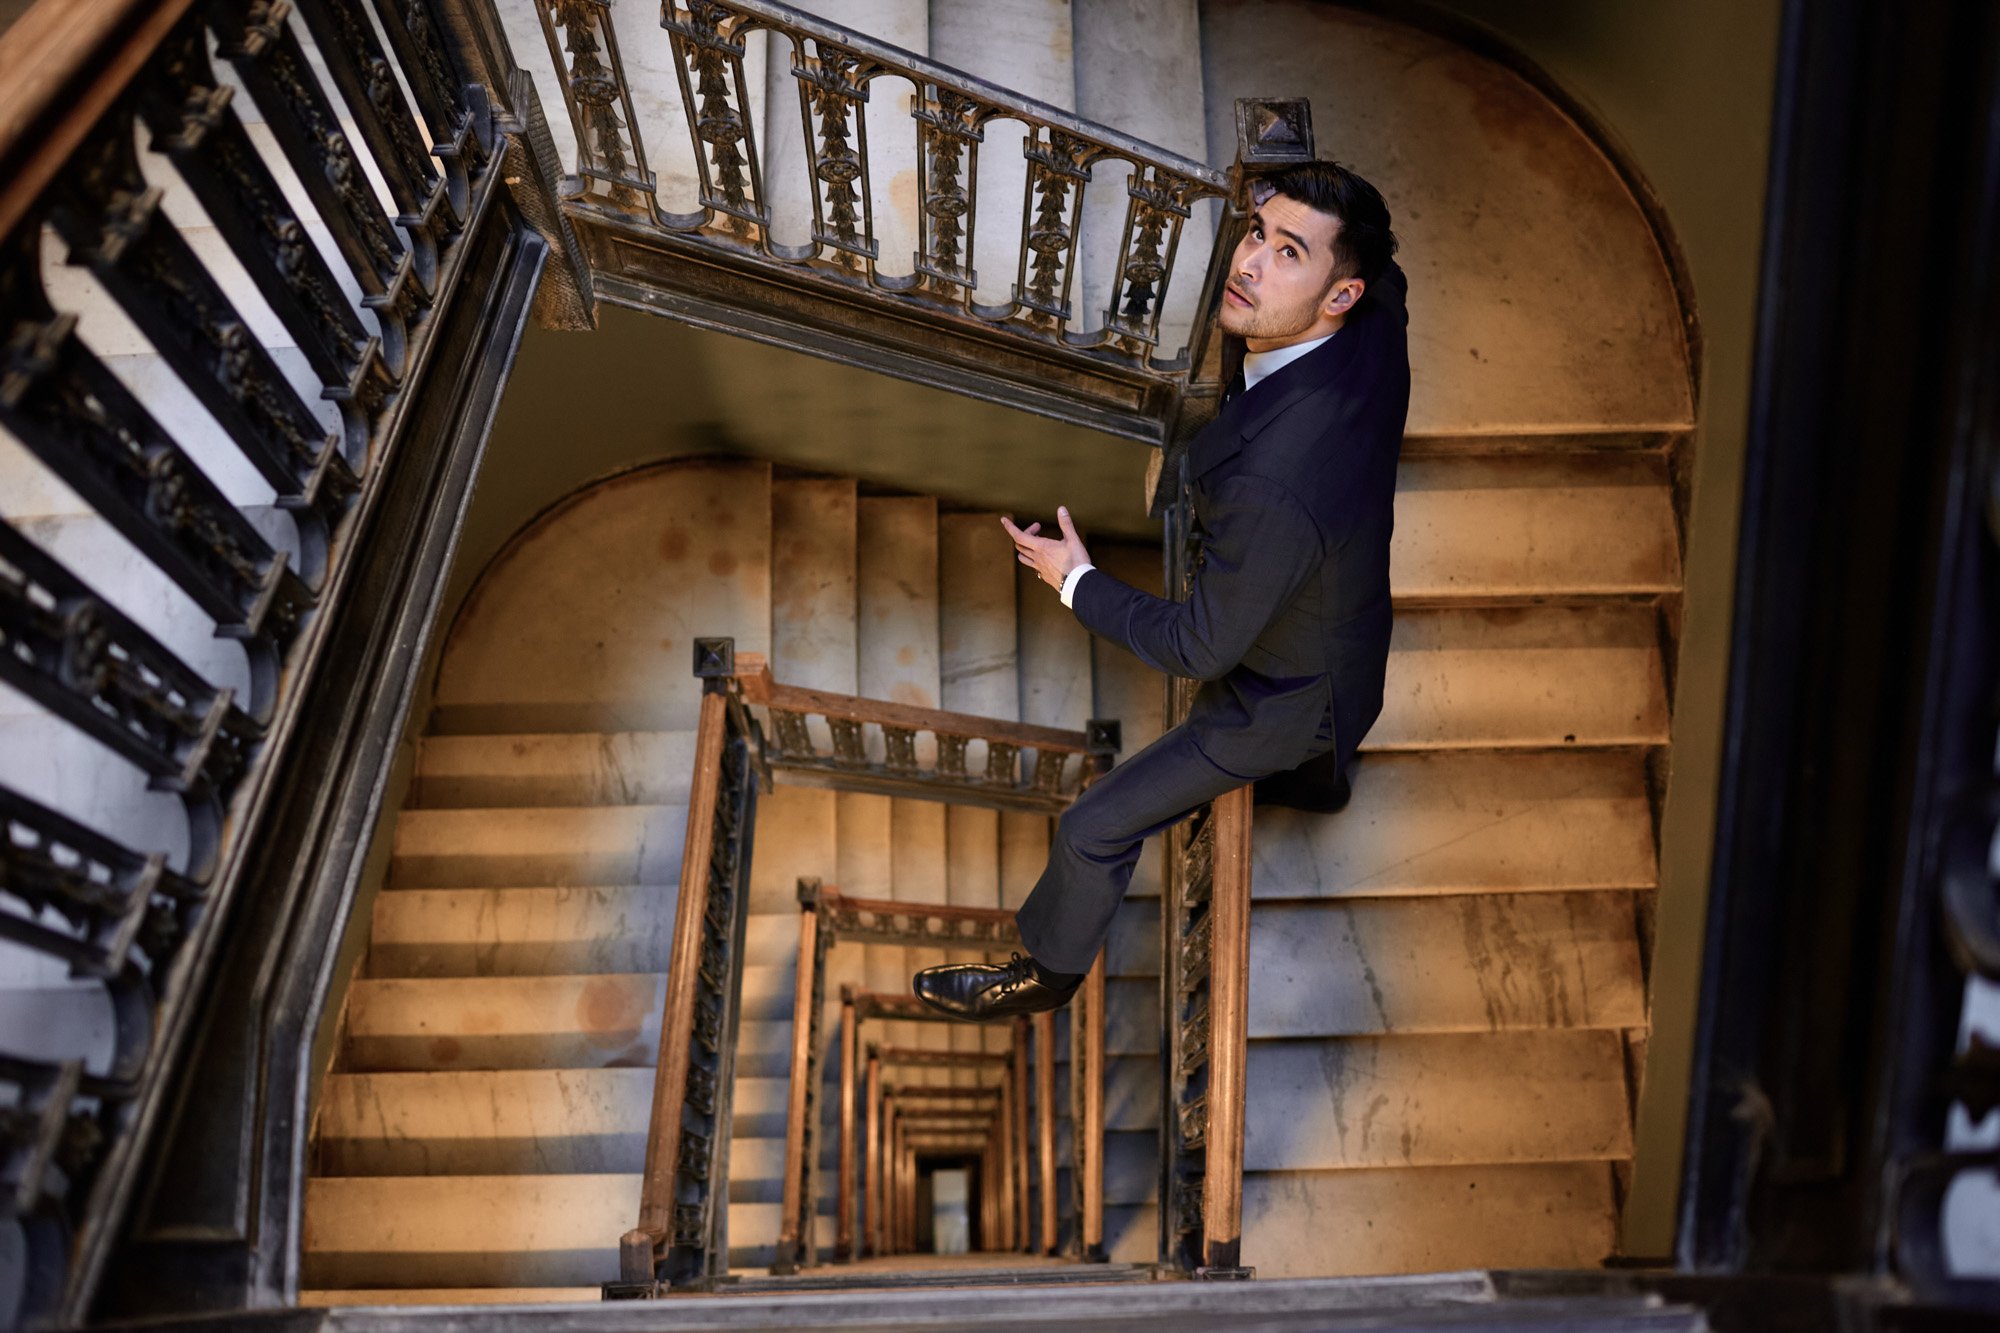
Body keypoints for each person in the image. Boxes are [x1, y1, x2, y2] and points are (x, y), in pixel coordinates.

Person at [913, 160, 1410, 1022]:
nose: (1248, 262)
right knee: (1326, 754)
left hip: (1275, 694)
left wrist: (1076, 581)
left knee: (1093, 826)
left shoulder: (1276, 486)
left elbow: (1202, 647)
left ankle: (1044, 978)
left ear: (1341, 294)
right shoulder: (1377, 327)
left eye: (1290, 252)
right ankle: (1321, 782)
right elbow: (1386, 275)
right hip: (1344, 621)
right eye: (1258, 232)